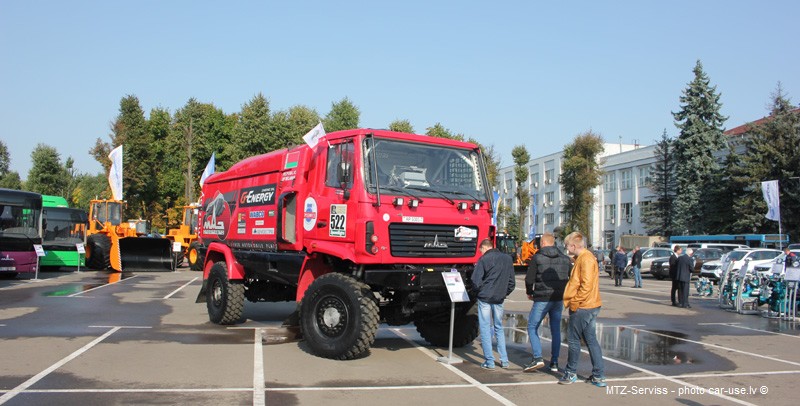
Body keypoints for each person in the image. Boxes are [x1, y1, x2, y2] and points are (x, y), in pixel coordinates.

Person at [560, 231, 606, 387]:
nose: (566, 248)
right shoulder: (584, 258)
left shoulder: (585, 259)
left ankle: (571, 372)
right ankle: (598, 375)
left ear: (573, 245)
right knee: (591, 340)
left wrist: (575, 302)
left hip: (584, 306)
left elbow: (585, 285)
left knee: (573, 340)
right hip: (591, 304)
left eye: (567, 245)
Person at [524, 233, 571, 373]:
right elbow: (571, 276)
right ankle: (554, 362)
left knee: (532, 326)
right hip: (558, 297)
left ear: (543, 243)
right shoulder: (564, 258)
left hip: (542, 297)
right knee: (555, 329)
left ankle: (538, 357)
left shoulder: (537, 257)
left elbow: (529, 278)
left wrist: (529, 292)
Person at [471, 238, 516, 370]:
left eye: (481, 251)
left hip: (485, 297)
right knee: (498, 328)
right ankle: (504, 360)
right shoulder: (507, 259)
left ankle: (489, 361)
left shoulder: (484, 259)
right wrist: (504, 293)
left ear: (484, 248)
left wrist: (478, 292)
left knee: (485, 328)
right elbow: (511, 283)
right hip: (499, 298)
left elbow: (475, 280)